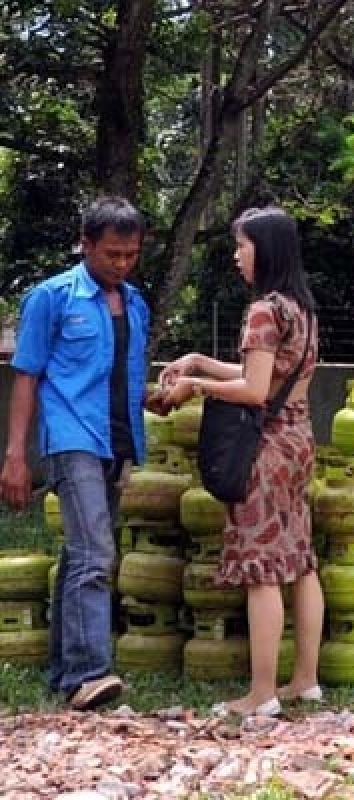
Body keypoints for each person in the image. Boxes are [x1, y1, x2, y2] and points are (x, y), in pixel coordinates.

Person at [157, 206, 323, 716]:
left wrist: (194, 387)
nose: (235, 256)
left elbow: (252, 390)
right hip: (299, 441)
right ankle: (305, 681)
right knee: (300, 560)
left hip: (266, 448)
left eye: (242, 246)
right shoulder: (302, 309)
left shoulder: (263, 310)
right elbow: (269, 376)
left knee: (261, 567)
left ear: (264, 251)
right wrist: (204, 362)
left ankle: (261, 694)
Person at [1, 196, 149, 710]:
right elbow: (27, 376)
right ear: (85, 244)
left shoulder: (135, 303)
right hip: (71, 437)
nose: (122, 264)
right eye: (112, 253)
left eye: (131, 255)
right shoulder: (52, 297)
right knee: (96, 554)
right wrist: (15, 455)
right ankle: (91, 673)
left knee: (80, 553)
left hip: (118, 438)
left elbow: (125, 377)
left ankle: (65, 672)